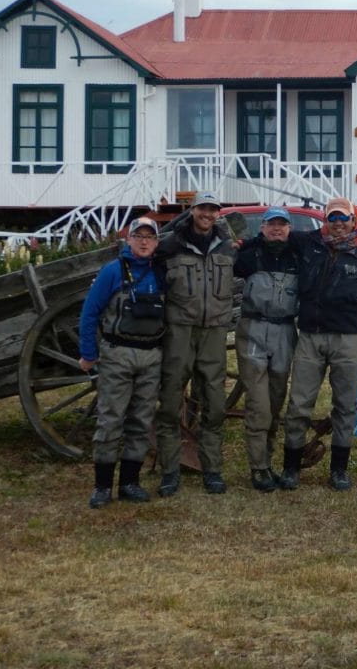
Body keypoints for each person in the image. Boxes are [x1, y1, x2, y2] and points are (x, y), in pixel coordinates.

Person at [277, 197, 357, 491]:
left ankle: (339, 470)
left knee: (344, 406)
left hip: (348, 338)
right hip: (311, 336)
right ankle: (291, 468)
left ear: (355, 222)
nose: (339, 225)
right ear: (325, 221)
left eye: (344, 219)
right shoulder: (308, 243)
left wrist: (354, 295)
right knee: (299, 403)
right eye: (333, 219)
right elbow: (273, 236)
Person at [78, 217, 166, 508]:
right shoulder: (112, 272)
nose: (143, 242)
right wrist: (89, 354)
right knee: (111, 419)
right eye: (138, 236)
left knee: (141, 421)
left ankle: (130, 482)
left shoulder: (162, 272)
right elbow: (90, 313)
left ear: (156, 242)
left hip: (151, 356)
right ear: (128, 240)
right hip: (117, 354)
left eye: (149, 237)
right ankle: (102, 486)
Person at [154, 190, 236, 496]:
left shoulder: (228, 247)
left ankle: (211, 469)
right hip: (180, 332)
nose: (207, 213)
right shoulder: (170, 245)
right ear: (192, 210)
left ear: (218, 213)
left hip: (214, 332)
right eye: (202, 207)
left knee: (215, 403)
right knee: (171, 400)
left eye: (212, 209)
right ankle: (170, 471)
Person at [233, 206, 299, 492]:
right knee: (258, 405)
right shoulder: (248, 256)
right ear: (262, 228)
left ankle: (268, 461)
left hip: (285, 331)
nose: (276, 229)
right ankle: (258, 468)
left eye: (281, 225)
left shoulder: (299, 256)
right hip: (253, 330)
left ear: (289, 229)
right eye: (271, 224)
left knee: (275, 399)